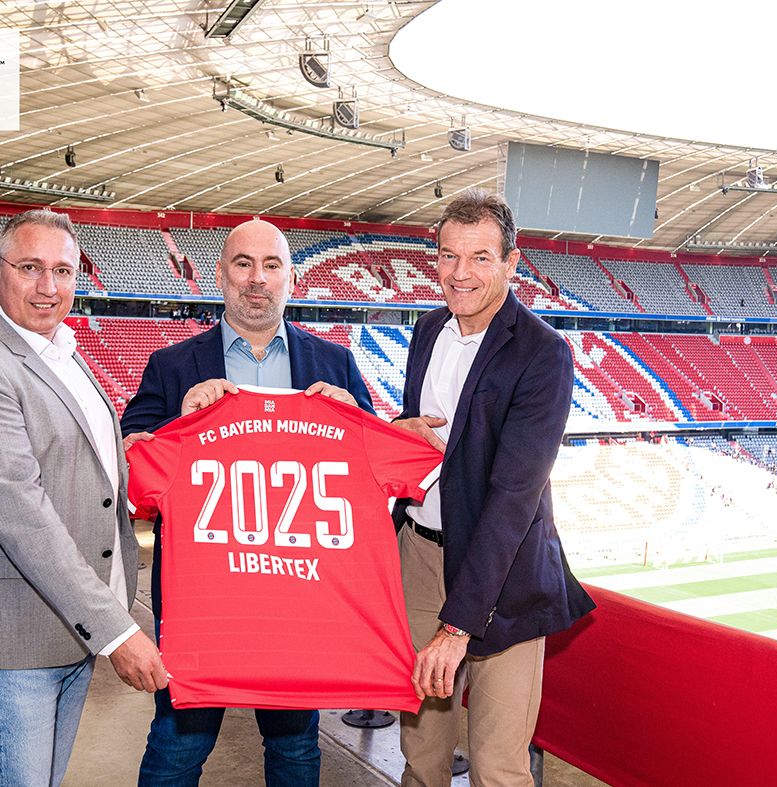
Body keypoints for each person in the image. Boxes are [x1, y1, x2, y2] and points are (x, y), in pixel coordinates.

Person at [121, 218, 374, 786]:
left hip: (298, 594)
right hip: (199, 597)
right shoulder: (172, 366)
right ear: (221, 275)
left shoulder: (334, 363)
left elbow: (369, 480)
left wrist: (353, 421)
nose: (257, 278)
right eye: (243, 264)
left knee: (295, 744)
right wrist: (180, 421)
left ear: (291, 279)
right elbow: (129, 464)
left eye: (271, 265)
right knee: (179, 742)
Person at [0, 209, 167, 786]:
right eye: (30, 267)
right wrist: (117, 629)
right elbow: (21, 515)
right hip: (9, 636)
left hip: (68, 629)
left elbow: (78, 462)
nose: (48, 287)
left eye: (62, 270)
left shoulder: (64, 352)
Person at [393, 190, 595, 787]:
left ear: (511, 263)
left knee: (497, 766)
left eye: (480, 257)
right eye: (448, 256)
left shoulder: (543, 353)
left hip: (502, 575)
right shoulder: (427, 329)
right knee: (421, 756)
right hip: (419, 556)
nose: (460, 273)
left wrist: (457, 627)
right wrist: (397, 430)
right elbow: (428, 440)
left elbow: (513, 498)